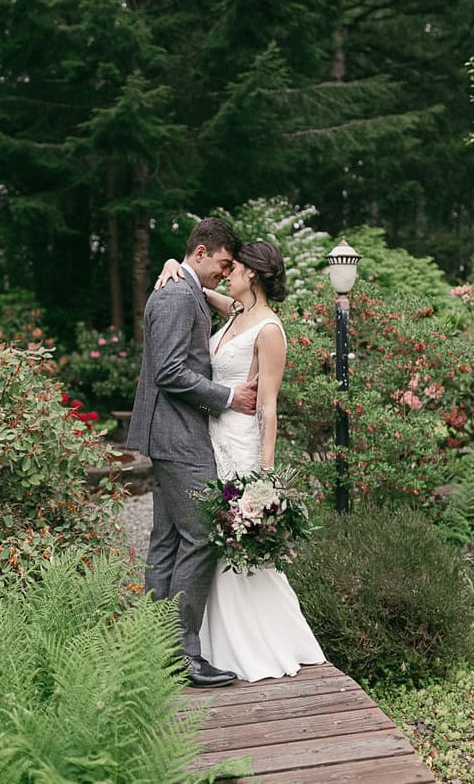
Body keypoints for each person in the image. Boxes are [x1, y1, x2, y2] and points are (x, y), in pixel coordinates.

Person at [157, 240, 325, 682]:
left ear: (252, 273)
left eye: (234, 267)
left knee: (237, 544)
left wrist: (266, 478)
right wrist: (174, 262)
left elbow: (269, 406)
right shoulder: (235, 311)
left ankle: (260, 641)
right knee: (211, 539)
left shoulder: (269, 330)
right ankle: (206, 643)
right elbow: (196, 287)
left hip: (242, 446)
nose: (226, 272)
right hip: (210, 437)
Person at [126, 217, 259, 688]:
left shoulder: (186, 289)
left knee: (166, 540)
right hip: (177, 436)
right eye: (222, 264)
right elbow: (168, 371)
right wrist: (227, 398)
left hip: (173, 434)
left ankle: (152, 651)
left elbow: (218, 301)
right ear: (200, 252)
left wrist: (195, 280)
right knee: (202, 535)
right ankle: (184, 657)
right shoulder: (175, 295)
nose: (225, 273)